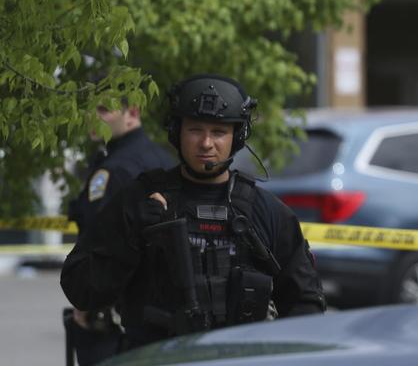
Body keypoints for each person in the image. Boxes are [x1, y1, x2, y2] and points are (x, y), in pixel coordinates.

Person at [60, 74, 326, 353]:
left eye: (219, 131)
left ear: (237, 136)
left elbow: (306, 305)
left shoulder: (265, 212)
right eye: (195, 130)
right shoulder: (138, 200)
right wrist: (130, 234)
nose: (206, 143)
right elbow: (80, 288)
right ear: (177, 131)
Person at [64, 98, 175, 366]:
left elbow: (100, 244)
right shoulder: (165, 157)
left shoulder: (114, 169)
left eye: (103, 109)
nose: (93, 116)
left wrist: (86, 311)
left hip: (119, 315)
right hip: (165, 309)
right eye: (89, 108)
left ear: (133, 113)